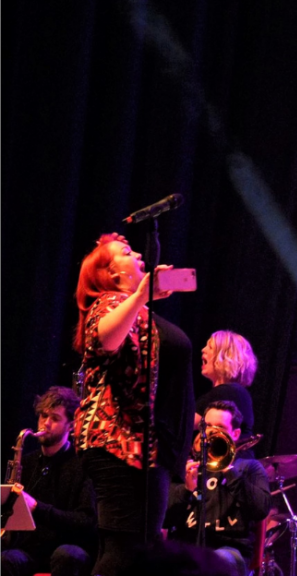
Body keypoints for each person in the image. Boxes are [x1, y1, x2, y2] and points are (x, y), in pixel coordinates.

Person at [73, 233, 194, 575]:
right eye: (127, 252)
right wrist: (141, 295)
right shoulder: (108, 303)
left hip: (146, 449)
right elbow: (104, 339)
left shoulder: (138, 311)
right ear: (112, 274)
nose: (139, 255)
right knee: (125, 552)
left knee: (132, 552)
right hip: (120, 445)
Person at [165, 400, 271, 576]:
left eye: (220, 427)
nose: (211, 432)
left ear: (235, 434)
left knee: (214, 564)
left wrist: (230, 471)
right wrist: (186, 489)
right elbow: (164, 519)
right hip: (187, 547)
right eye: (207, 426)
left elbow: (261, 509)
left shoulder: (249, 468)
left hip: (230, 549)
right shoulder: (187, 468)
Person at [1, 387, 96, 576]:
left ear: (71, 426)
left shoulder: (83, 465)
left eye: (55, 418)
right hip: (31, 551)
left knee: (66, 556)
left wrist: (37, 508)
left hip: (68, 547)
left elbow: (86, 521)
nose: (46, 423)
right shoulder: (26, 462)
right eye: (43, 416)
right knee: (5, 559)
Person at [195, 330, 258, 458]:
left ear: (225, 357)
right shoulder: (233, 391)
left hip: (233, 466)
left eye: (210, 347)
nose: (203, 350)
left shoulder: (228, 391)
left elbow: (184, 423)